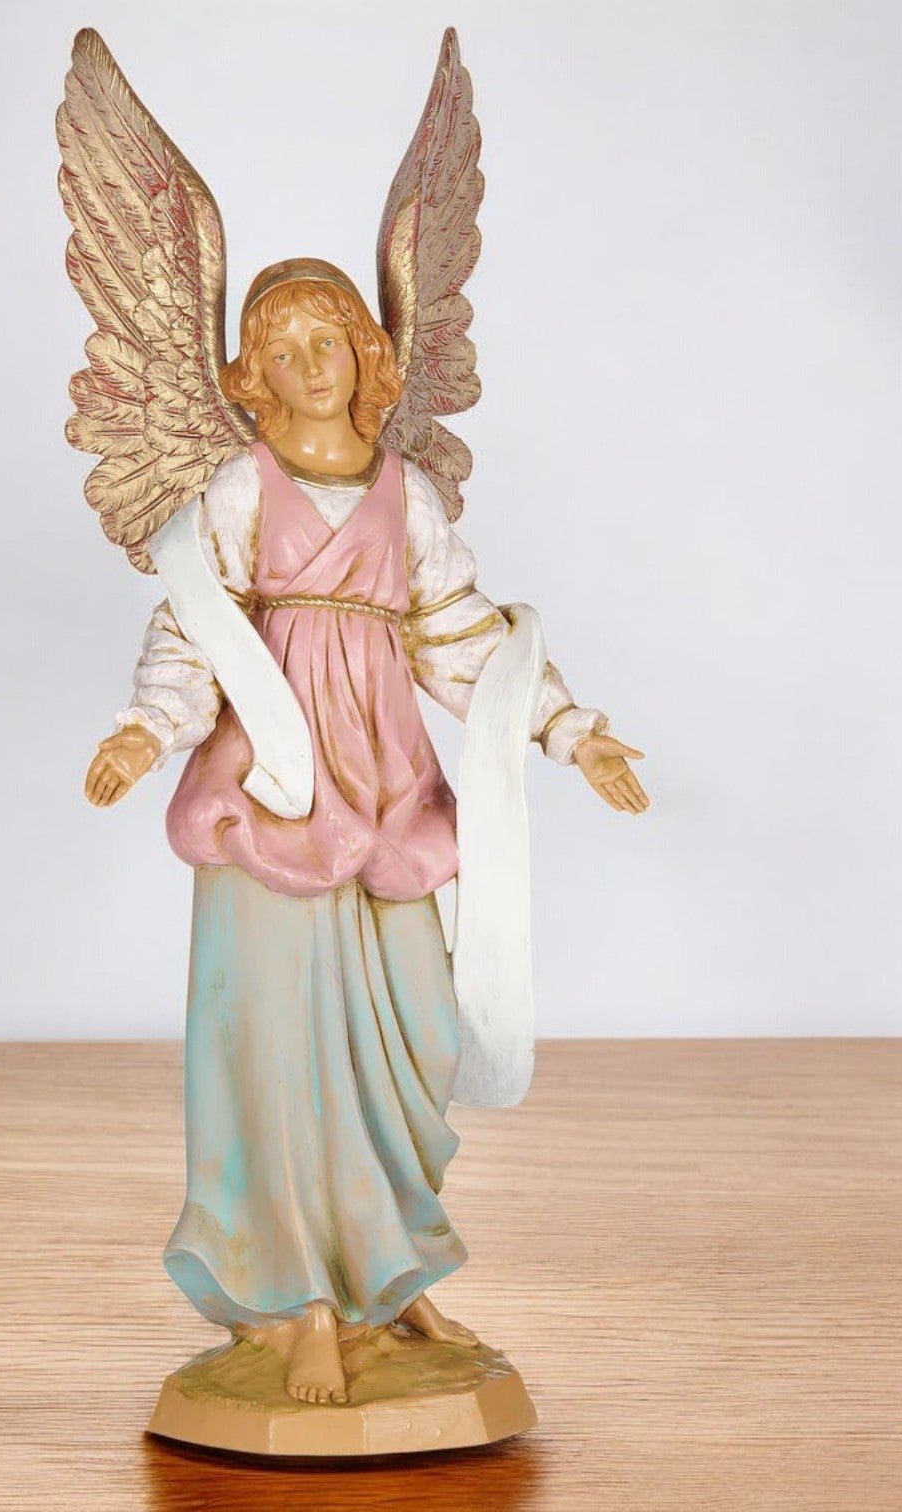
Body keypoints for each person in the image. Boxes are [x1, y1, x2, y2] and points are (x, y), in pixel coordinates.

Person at [85, 260, 649, 1406]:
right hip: (276, 792)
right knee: (280, 1044)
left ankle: (387, 1276)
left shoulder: (409, 495)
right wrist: (146, 732)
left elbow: (462, 637)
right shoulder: (240, 489)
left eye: (326, 342)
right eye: (280, 350)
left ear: (365, 353)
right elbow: (194, 625)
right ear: (252, 373)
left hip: (387, 787)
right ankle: (300, 1298)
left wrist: (570, 730)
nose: (307, 367)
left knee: (412, 1030)